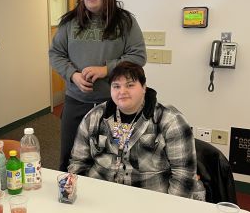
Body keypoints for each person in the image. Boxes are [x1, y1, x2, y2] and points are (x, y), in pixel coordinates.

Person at [48, 0, 146, 172]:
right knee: (69, 157)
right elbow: (55, 54)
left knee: (113, 161)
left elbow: (138, 56)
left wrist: (106, 69)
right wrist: (73, 75)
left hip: (113, 104)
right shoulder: (69, 22)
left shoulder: (125, 22)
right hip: (76, 102)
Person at [68, 62, 199, 198]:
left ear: (144, 88)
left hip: (150, 200)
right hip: (100, 196)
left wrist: (169, 211)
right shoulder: (95, 116)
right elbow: (78, 163)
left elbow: (184, 176)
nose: (122, 91)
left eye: (130, 85)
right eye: (116, 86)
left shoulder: (170, 120)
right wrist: (81, 197)